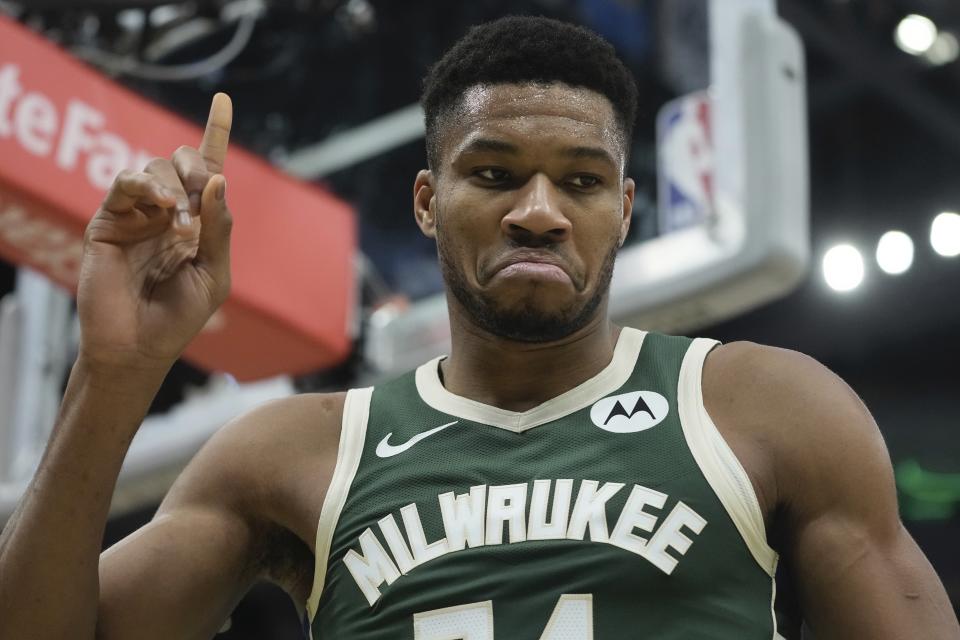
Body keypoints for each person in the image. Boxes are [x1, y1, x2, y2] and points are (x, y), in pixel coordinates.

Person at [0, 15, 957, 640]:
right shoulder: (293, 452)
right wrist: (117, 370)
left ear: (624, 209)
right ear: (426, 201)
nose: (538, 209)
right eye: (493, 173)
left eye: (581, 181)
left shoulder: (764, 406)